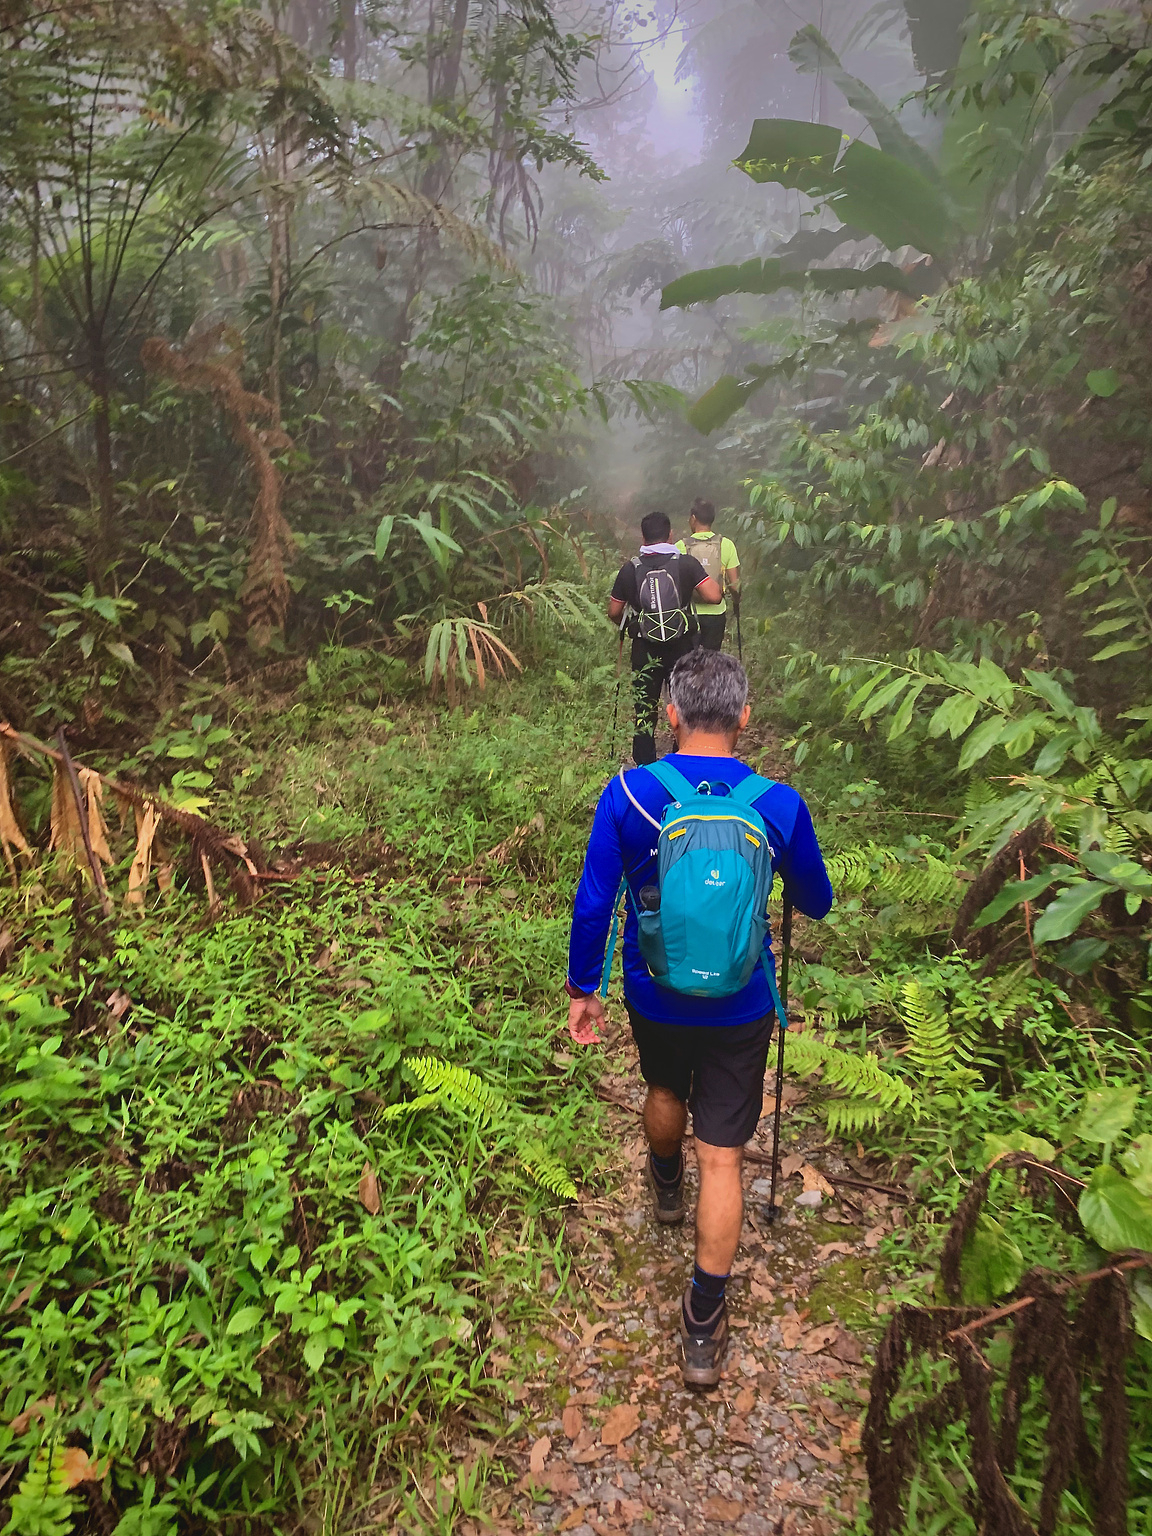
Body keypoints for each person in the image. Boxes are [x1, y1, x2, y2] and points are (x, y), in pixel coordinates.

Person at [564, 649, 833, 1388]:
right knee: (724, 1155)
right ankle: (703, 1325)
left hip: (655, 993)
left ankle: (661, 1180)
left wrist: (583, 989)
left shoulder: (628, 794)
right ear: (746, 717)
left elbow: (595, 902)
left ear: (670, 714)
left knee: (664, 1092)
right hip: (743, 1002)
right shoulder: (778, 804)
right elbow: (817, 901)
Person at [609, 511, 721, 765]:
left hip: (644, 649)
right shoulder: (686, 563)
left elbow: (614, 611)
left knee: (644, 709)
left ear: (643, 536)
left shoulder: (630, 569)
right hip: (682, 647)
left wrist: (633, 623)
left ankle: (645, 765)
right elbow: (714, 596)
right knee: (683, 705)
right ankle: (680, 760)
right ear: (670, 535)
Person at [676, 499, 740, 653]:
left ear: (693, 518)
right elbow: (735, 584)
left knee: (688, 660)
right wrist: (736, 603)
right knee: (711, 660)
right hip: (716, 613)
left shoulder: (679, 547)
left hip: (688, 614)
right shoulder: (726, 544)